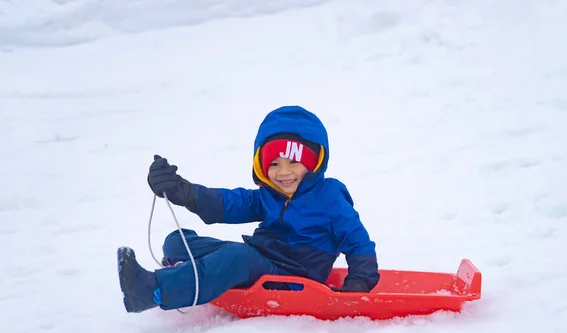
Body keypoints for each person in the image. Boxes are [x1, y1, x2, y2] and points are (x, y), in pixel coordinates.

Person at [117, 105, 380, 313]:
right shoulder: (268, 195)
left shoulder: (330, 197)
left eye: (293, 162)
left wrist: (359, 282)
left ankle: (153, 291)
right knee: (178, 242)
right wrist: (184, 193)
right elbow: (229, 203)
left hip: (293, 278)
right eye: (274, 164)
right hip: (261, 259)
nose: (283, 172)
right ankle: (194, 271)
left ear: (314, 163)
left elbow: (359, 242)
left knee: (238, 256)